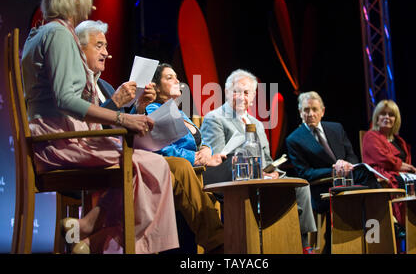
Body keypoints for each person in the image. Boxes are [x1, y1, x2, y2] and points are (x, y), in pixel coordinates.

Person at [21, 0, 178, 254]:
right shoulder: (58, 35)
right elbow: (66, 100)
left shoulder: (42, 34)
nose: (92, 3)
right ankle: (104, 239)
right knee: (153, 167)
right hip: (58, 143)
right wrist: (122, 117)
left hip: (55, 138)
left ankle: (90, 235)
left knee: (148, 165)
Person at [74, 20, 224, 253]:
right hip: (107, 154)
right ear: (80, 48)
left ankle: (216, 240)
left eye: (106, 46)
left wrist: (138, 108)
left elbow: (125, 127)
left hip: (126, 152)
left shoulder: (105, 85)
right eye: (100, 46)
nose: (107, 53)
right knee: (181, 167)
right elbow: (93, 129)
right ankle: (218, 242)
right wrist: (123, 105)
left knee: (189, 169)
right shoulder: (76, 85)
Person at [200, 69, 317, 252]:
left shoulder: (257, 124)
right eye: (236, 91)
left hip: (263, 178)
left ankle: (302, 244)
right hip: (236, 179)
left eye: (246, 93)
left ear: (253, 97)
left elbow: (268, 158)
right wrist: (253, 170)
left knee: (301, 186)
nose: (241, 97)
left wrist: (274, 171)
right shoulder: (215, 118)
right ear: (227, 91)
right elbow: (217, 161)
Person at [285, 91, 379, 253]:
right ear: (300, 113)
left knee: (366, 173)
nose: (311, 114)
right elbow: (305, 173)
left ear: (323, 111)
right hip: (322, 187)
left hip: (349, 179)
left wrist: (349, 165)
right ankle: (336, 244)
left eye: (315, 109)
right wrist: (334, 169)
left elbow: (352, 155)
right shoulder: (294, 139)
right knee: (349, 198)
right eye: (306, 110)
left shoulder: (336, 128)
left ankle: (379, 222)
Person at [145, 63, 226, 167]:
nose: (177, 81)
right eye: (170, 78)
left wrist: (206, 149)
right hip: (175, 168)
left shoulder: (179, 112)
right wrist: (195, 158)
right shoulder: (152, 109)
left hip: (196, 165)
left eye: (176, 77)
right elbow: (163, 148)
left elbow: (201, 140)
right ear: (156, 87)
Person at [362, 99, 416, 226]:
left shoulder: (400, 141)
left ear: (396, 119)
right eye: (383, 114)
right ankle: (408, 225)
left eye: (391, 114)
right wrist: (412, 169)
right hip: (384, 175)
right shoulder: (371, 136)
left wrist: (412, 171)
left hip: (403, 175)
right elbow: (386, 160)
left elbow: (403, 161)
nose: (387, 117)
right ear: (377, 117)